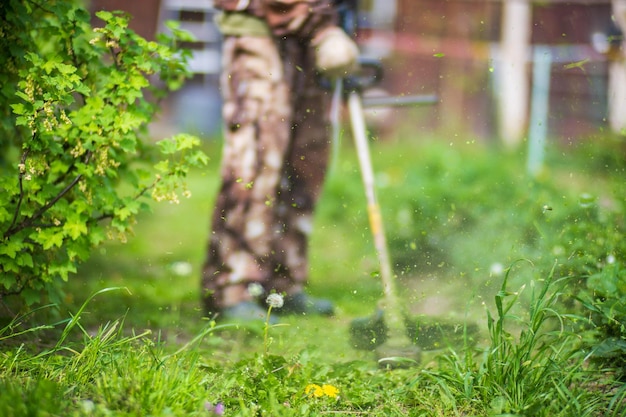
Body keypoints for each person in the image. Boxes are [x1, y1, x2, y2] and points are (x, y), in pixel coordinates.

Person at [201, 0, 360, 322]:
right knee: (257, 160)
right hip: (259, 28)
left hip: (310, 39)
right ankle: (233, 288)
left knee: (306, 160)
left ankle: (281, 285)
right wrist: (323, 29)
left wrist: (336, 27)